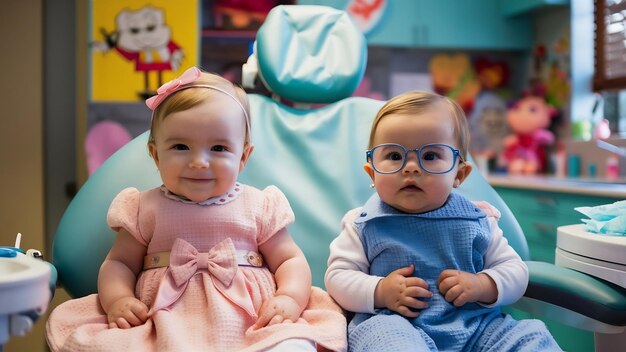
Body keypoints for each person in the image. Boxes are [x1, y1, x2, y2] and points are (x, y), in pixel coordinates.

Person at [46, 67, 347, 352]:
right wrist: (119, 300)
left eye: (218, 149)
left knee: (293, 343)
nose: (199, 162)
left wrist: (288, 298)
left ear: (243, 157)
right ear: (155, 154)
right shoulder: (142, 207)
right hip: (163, 318)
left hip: (253, 319)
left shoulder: (259, 205)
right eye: (180, 147)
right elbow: (119, 264)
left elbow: (290, 260)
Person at [324, 91, 561, 351]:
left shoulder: (478, 220)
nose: (410, 167)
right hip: (394, 324)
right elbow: (338, 278)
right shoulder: (363, 224)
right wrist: (380, 291)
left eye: (430, 156)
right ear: (372, 172)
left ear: (459, 174)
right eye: (393, 156)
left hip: (477, 329)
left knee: (530, 336)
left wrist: (483, 284)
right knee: (387, 341)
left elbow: (515, 271)